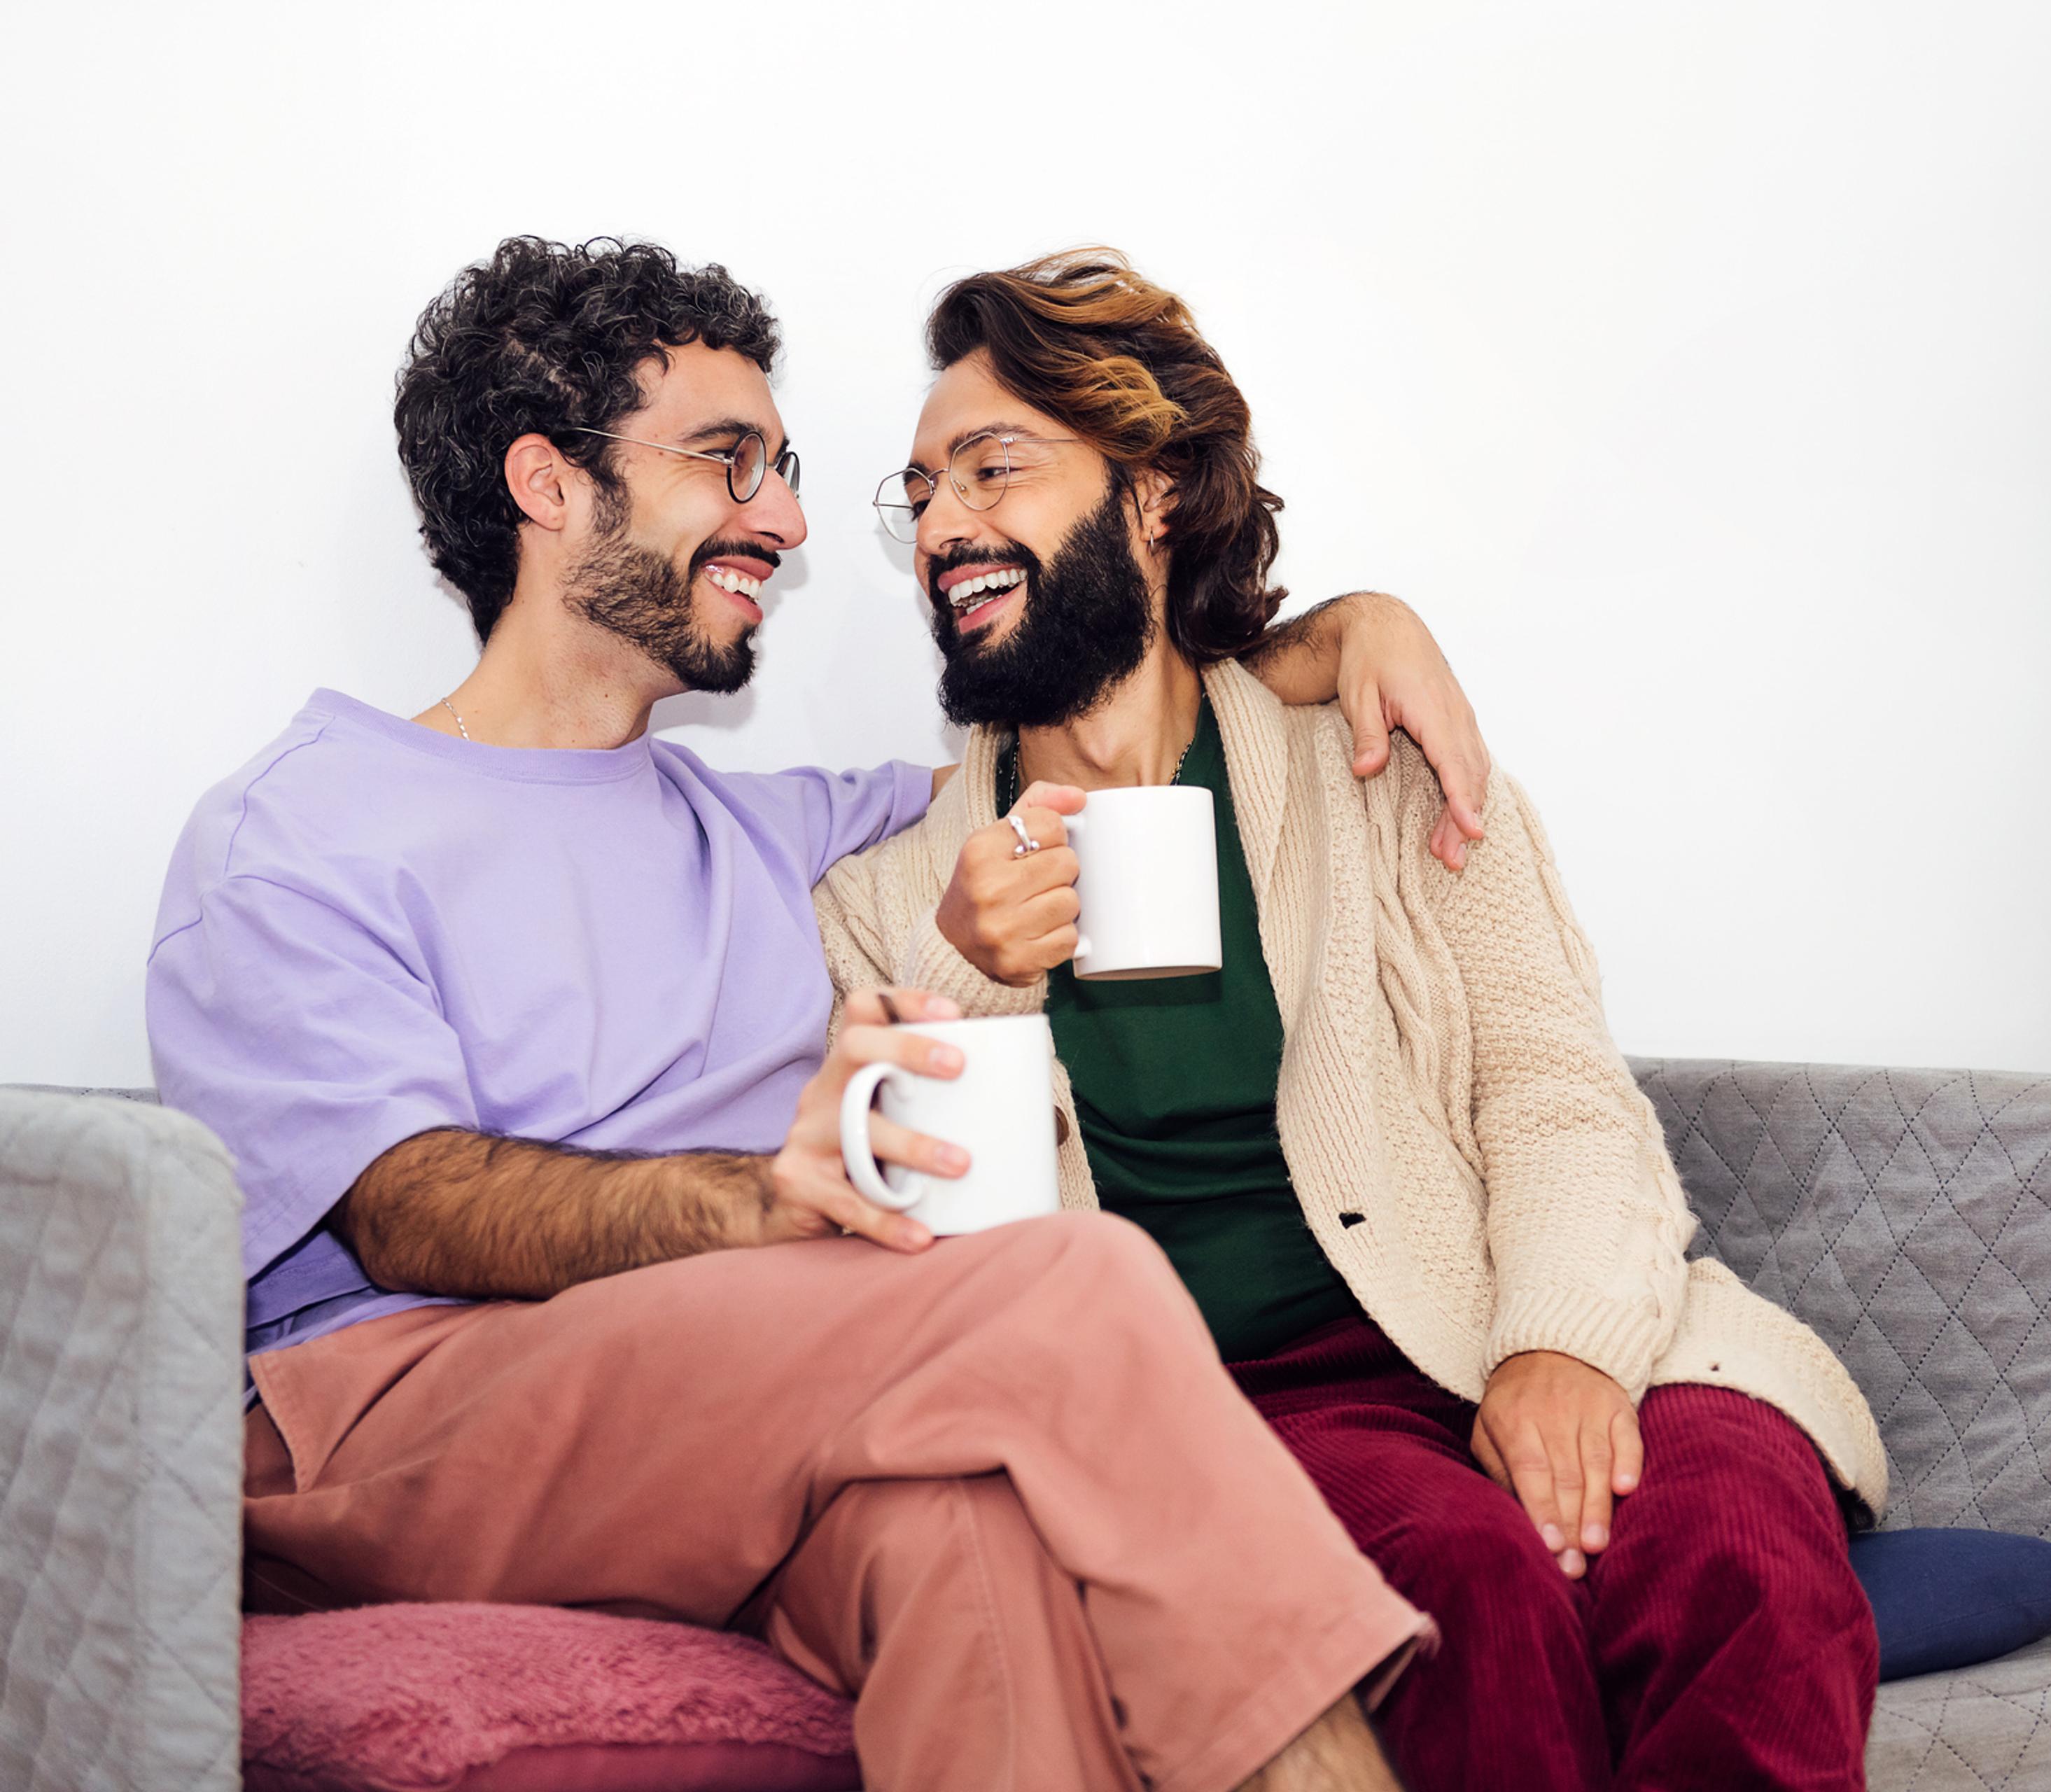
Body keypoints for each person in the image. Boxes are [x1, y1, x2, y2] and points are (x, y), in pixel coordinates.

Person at [147, 235, 1506, 1792]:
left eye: (783, 468)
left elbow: (1109, 720)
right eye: (728, 461)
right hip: (398, 1415)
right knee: (1063, 1285)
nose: (786, 520)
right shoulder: (303, 825)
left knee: (971, 1532)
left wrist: (1334, 637)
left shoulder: (772, 828)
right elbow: (410, 1208)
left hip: (723, 1403)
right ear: (547, 482)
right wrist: (761, 1198)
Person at [816, 250, 1891, 1792]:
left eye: (995, 468)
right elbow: (927, 1274)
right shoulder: (888, 896)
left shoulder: (1376, 763)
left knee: (1733, 1544)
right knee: (1462, 1587)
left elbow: (1557, 1095)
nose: (941, 527)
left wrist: (1562, 1348)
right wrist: (978, 970)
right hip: (1242, 1407)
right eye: (916, 491)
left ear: (1157, 490)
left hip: (1506, 1309)